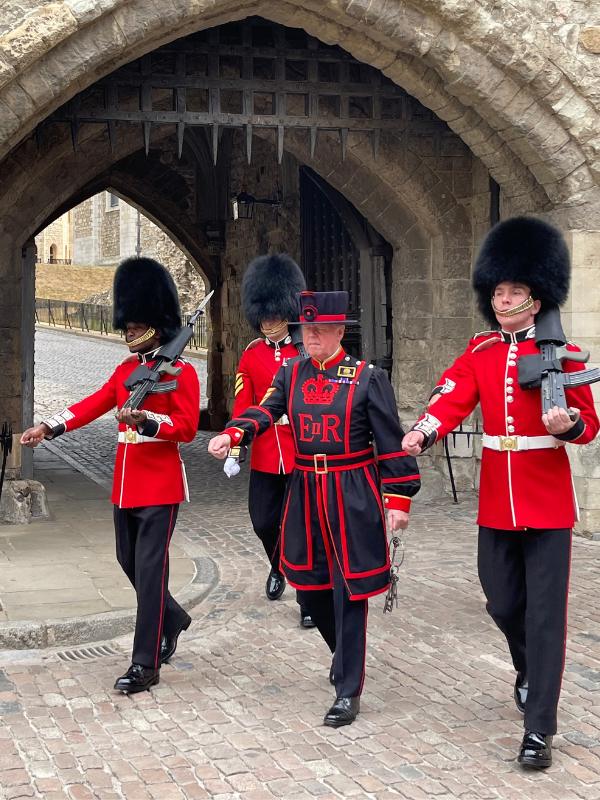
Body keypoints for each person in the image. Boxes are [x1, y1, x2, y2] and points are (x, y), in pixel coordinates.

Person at [402, 216, 599, 768]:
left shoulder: (565, 352)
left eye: (514, 289)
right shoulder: (483, 349)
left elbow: (589, 422)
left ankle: (540, 728)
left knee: (545, 617)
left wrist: (569, 429)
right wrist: (423, 428)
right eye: (499, 289)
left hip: (548, 499)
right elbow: (452, 392)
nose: (503, 296)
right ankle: (528, 666)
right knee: (501, 600)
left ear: (536, 296)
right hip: (497, 500)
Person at [209, 290, 420, 727]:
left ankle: (348, 689)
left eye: (321, 330)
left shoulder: (366, 377)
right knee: (309, 586)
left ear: (340, 331)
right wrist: (235, 434)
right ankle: (342, 655)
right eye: (307, 330)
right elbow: (263, 411)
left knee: (350, 591)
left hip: (352, 490)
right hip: (305, 488)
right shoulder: (290, 372)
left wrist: (398, 497)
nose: (312, 338)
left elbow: (388, 440)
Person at [21, 257, 200, 694]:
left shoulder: (180, 372)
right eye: (127, 326)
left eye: (136, 326)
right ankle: (172, 618)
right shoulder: (125, 372)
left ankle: (145, 663)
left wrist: (148, 423)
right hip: (125, 484)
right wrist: (49, 426)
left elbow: (188, 428)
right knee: (128, 561)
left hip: (159, 486)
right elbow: (93, 402)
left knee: (151, 572)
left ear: (157, 325)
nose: (129, 333)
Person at [232, 253, 315, 627]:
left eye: (274, 314)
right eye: (262, 315)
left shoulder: (306, 352)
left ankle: (308, 598)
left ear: (287, 309)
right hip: (267, 451)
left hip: (301, 451)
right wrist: (237, 442)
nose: (267, 321)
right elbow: (243, 404)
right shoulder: (251, 355)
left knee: (302, 525)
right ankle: (277, 564)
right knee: (263, 522)